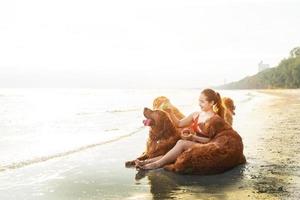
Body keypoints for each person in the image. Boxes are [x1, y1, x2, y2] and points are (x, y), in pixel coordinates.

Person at [135, 88, 225, 170]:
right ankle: (145, 162)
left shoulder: (215, 119)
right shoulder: (196, 114)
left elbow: (213, 141)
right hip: (193, 144)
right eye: (199, 101)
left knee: (181, 143)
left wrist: (194, 137)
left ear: (212, 102)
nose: (199, 104)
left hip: (205, 147)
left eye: (202, 101)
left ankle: (155, 165)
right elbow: (179, 123)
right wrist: (171, 112)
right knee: (170, 152)